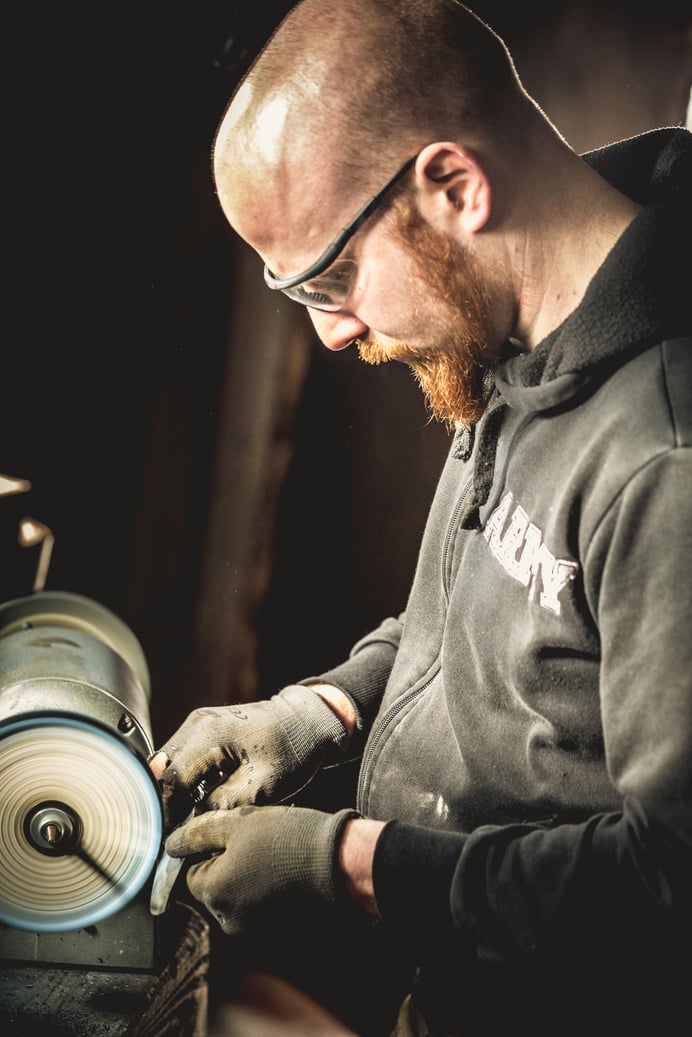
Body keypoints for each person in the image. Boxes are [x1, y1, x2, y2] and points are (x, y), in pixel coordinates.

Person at [150, 1, 692, 1033]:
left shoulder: (663, 454)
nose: (331, 330)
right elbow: (483, 623)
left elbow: (668, 884)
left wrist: (348, 863)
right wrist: (318, 713)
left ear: (452, 185)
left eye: (332, 277)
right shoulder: (506, 331)